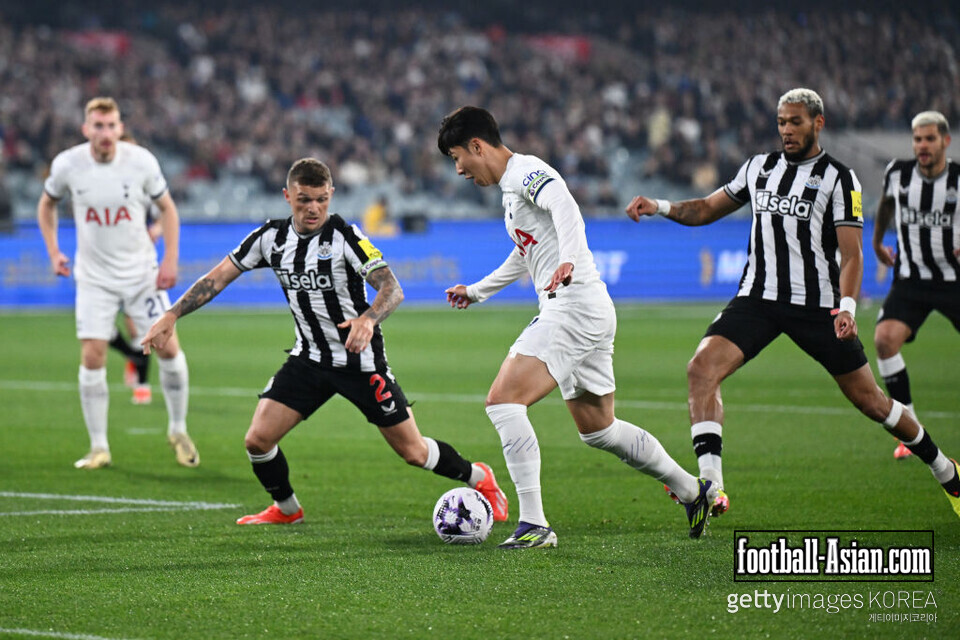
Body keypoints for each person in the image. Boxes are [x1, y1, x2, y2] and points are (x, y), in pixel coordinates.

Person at [625, 88, 960, 519]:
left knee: (872, 401)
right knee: (701, 368)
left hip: (817, 307)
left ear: (818, 123)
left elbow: (853, 255)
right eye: (782, 122)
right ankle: (711, 487)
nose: (786, 130)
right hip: (758, 299)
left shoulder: (840, 179)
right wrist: (659, 205)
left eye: (795, 122)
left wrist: (847, 307)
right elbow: (706, 209)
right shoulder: (758, 168)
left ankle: (945, 469)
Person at [140, 158, 509, 526]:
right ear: (288, 196)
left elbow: (392, 287)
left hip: (360, 363)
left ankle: (479, 477)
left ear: (331, 194)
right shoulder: (270, 238)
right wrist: (172, 315)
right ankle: (288, 510)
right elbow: (217, 278)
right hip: (309, 360)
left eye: (321, 199)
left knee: (414, 452)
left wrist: (368, 319)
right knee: (257, 440)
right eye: (304, 200)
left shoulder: (346, 237)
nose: (313, 208)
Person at [438, 106, 714, 549]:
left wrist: (567, 258)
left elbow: (564, 204)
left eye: (457, 157)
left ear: (476, 146)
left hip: (572, 307)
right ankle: (691, 490)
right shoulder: (511, 191)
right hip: (588, 308)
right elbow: (526, 252)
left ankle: (534, 524)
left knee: (503, 402)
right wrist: (477, 291)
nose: (459, 170)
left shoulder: (526, 172)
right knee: (600, 429)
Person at [37, 97, 197, 470]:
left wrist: (170, 259)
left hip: (141, 275)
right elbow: (46, 204)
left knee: (168, 348)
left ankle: (178, 429)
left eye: (111, 125)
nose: (105, 133)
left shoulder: (141, 162)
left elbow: (168, 209)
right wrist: (54, 251)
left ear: (121, 128)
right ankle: (98, 447)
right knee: (92, 355)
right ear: (86, 129)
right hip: (94, 278)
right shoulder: (68, 164)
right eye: (98, 125)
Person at [872, 111, 960, 460]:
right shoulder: (897, 173)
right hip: (911, 279)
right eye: (917, 139)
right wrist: (877, 241)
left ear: (945, 141)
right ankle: (908, 429)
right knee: (884, 340)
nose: (922, 145)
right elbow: (886, 204)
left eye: (929, 139)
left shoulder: (957, 179)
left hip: (954, 279)